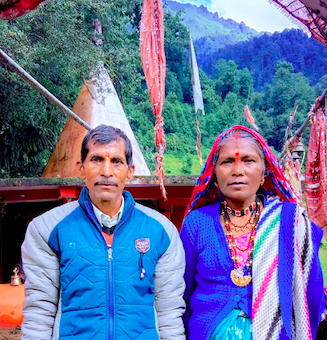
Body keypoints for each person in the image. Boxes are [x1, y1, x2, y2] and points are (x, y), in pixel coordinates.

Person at [21, 125, 186, 340]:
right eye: (97, 159)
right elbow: (39, 311)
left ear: (130, 171)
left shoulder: (161, 231)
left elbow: (169, 314)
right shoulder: (47, 229)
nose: (106, 171)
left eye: (116, 161)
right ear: (81, 168)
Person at [181, 125, 325, 340]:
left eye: (248, 160)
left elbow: (311, 296)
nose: (237, 170)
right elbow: (181, 295)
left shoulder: (289, 222)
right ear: (214, 172)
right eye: (227, 161)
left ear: (264, 171)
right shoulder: (197, 223)